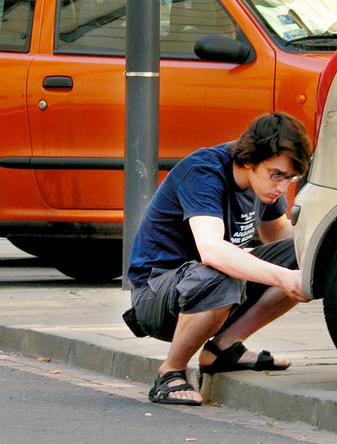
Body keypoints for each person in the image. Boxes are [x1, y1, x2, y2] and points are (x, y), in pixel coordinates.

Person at [123, 112, 313, 406]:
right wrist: (281, 277)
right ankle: (170, 371)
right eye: (276, 175)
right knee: (220, 271)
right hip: (157, 294)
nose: (281, 187)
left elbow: (281, 238)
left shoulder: (265, 186)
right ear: (250, 161)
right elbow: (211, 250)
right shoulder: (204, 172)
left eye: (289, 178)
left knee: (305, 257)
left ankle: (224, 349)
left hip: (211, 288)